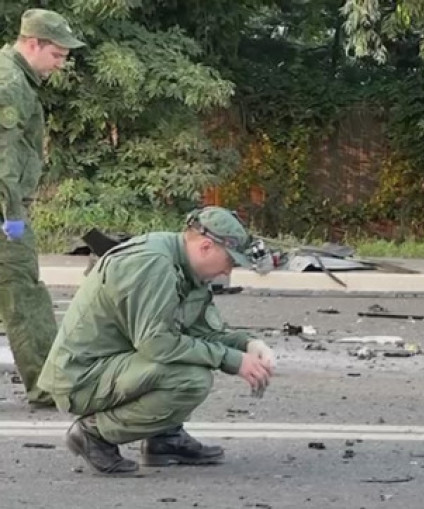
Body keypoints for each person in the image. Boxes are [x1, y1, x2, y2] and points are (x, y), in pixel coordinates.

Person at [37, 207, 276, 474]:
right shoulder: (153, 264)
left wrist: (248, 345)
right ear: (206, 247)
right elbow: (157, 344)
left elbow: (201, 332)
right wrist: (231, 360)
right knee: (190, 379)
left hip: (115, 365)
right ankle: (93, 434)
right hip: (81, 378)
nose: (227, 271)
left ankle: (164, 439)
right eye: (230, 261)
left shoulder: (186, 267)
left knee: (192, 359)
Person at [0, 9, 85, 407]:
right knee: (23, 291)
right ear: (33, 43)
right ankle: (48, 385)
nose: (61, 64)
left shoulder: (12, 76)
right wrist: (11, 219)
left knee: (20, 290)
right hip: (5, 211)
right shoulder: (9, 84)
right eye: (58, 55)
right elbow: (2, 159)